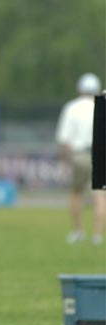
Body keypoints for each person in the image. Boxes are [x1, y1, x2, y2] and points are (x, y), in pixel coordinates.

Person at [55, 72, 105, 245]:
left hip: (80, 155)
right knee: (100, 195)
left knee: (76, 193)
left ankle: (78, 232)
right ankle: (97, 235)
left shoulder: (72, 108)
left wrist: (63, 162)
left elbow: (64, 139)